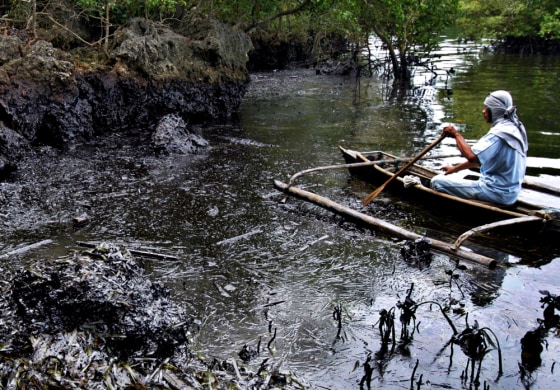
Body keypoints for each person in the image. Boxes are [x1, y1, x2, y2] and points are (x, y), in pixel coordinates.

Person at [430, 90, 528, 205]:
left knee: (436, 182)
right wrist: (454, 169)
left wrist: (456, 135)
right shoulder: (515, 128)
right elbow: (479, 160)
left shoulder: (499, 133)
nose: (483, 111)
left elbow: (472, 157)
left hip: (495, 192)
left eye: (487, 108)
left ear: (495, 110)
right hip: (510, 194)